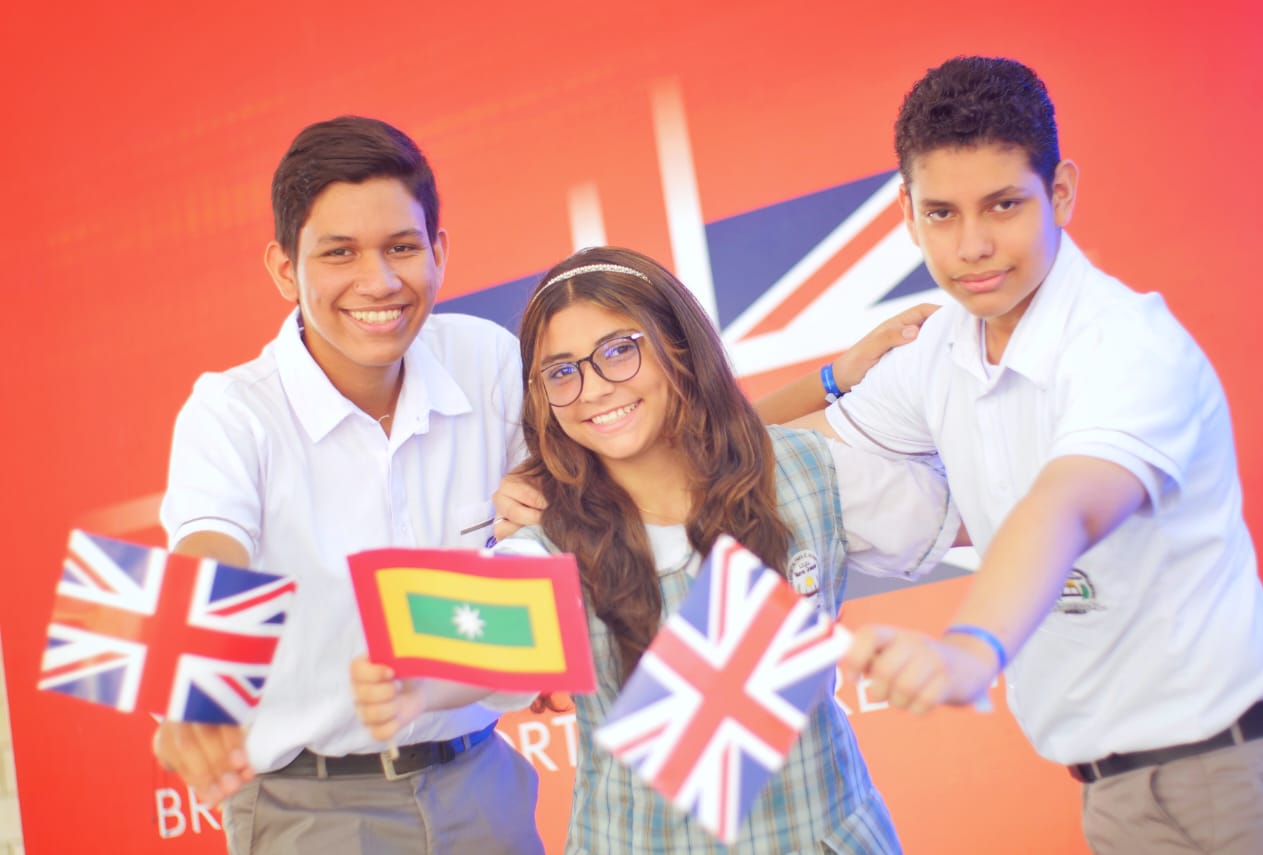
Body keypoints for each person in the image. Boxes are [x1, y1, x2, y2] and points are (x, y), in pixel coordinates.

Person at [790, 56, 1263, 853]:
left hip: (1239, 769)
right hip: (1111, 790)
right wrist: (575, 481)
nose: (974, 245)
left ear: (1061, 194)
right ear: (907, 216)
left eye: (1004, 205)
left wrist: (968, 648)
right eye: (942, 214)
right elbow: (789, 457)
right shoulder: (938, 348)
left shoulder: (1126, 340)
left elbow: (1065, 505)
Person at [354, 246, 962, 854]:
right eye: (562, 372)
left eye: (619, 351)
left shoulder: (803, 470)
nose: (592, 388)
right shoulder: (547, 547)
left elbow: (972, 515)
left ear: (679, 346)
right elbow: (479, 642)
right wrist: (418, 688)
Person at [152, 115, 542, 854]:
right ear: (283, 269)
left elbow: (570, 529)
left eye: (402, 246)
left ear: (440, 252)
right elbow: (209, 544)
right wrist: (197, 680)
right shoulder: (231, 410)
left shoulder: (490, 360)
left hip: (482, 782)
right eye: (340, 253)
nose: (380, 282)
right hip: (312, 808)